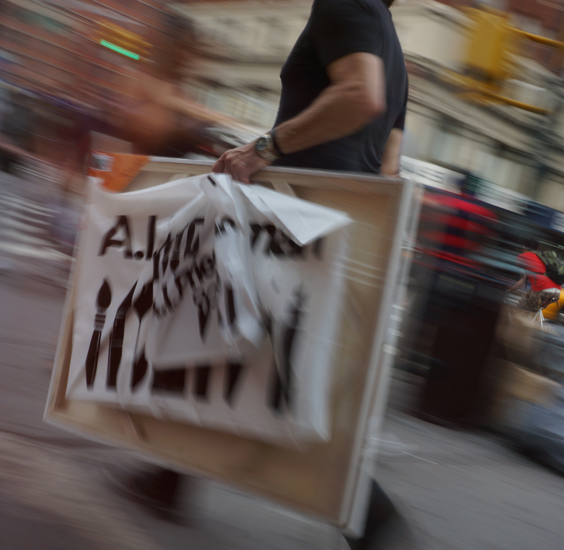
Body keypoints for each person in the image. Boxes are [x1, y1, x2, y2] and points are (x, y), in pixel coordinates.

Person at [118, 1, 408, 548]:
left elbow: (358, 95)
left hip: (290, 217)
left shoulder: (346, 2)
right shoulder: (394, 49)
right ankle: (167, 478)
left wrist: (263, 149)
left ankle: (376, 520)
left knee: (242, 352)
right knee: (229, 347)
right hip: (335, 227)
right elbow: (388, 167)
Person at [509, 237, 561, 315]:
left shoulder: (524, 257)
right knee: (534, 310)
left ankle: (526, 326)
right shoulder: (543, 258)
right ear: (537, 249)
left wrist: (509, 289)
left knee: (520, 308)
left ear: (524, 247)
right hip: (557, 292)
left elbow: (521, 281)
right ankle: (539, 325)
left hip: (543, 290)